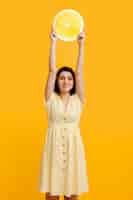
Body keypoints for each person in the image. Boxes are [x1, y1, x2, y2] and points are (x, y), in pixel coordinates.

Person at [38, 27, 89, 200]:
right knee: (52, 195)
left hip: (74, 149)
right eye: (62, 78)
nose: (65, 81)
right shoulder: (50, 99)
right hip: (53, 150)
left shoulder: (78, 100)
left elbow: (80, 72)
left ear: (73, 82)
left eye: (69, 78)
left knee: (72, 195)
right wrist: (53, 42)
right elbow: (52, 70)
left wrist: (81, 45)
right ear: (57, 81)